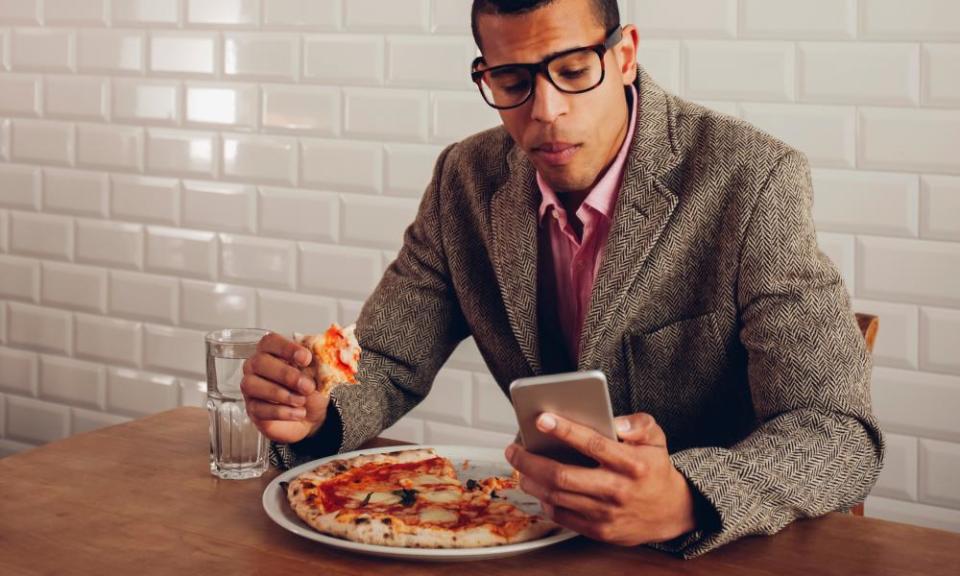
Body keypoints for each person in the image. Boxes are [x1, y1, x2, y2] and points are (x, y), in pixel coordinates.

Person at [240, 0, 883, 557]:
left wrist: (688, 498)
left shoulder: (752, 179)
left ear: (625, 54)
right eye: (513, 81)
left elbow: (838, 431)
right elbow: (385, 360)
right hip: (547, 540)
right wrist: (316, 412)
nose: (545, 110)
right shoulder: (464, 180)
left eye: (574, 72)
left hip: (722, 552)